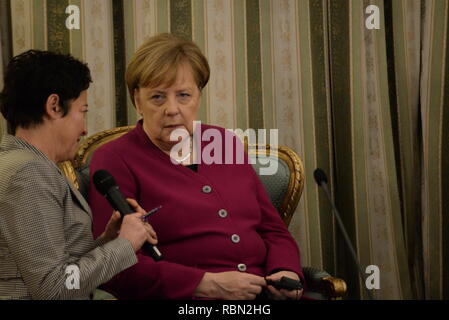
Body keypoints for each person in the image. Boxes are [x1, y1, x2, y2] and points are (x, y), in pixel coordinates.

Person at [88, 33, 304, 300]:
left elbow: (273, 230)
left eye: (183, 95)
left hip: (264, 294)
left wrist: (286, 272)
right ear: (137, 100)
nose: (172, 109)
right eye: (157, 97)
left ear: (198, 97)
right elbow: (113, 264)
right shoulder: (114, 159)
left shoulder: (223, 142)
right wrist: (206, 284)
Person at [0, 50, 157, 300]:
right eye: (82, 111)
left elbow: (61, 268)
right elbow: (54, 287)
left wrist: (108, 240)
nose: (85, 129)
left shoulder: (23, 164)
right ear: (54, 106)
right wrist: (125, 244)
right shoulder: (29, 173)